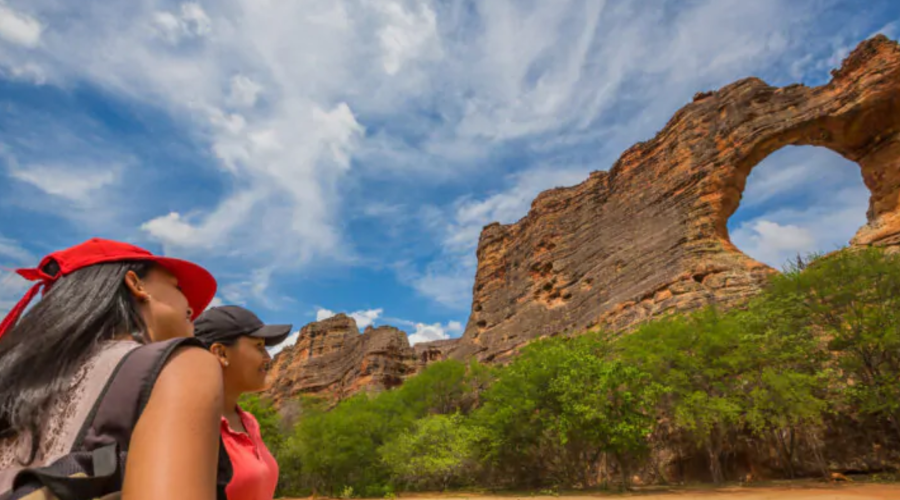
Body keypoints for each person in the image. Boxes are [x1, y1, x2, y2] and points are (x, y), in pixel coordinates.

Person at [0, 238, 225, 500]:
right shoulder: (182, 363)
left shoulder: (15, 379)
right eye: (177, 287)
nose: (191, 307)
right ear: (136, 284)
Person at [193, 305, 292, 500]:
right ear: (221, 353)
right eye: (259, 347)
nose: (268, 358)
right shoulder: (194, 428)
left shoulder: (249, 422)